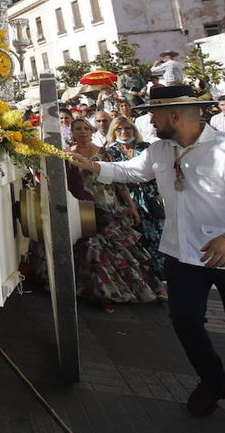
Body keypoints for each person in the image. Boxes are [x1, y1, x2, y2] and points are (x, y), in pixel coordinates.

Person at [70, 85, 225, 432]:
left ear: (175, 116)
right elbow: (133, 171)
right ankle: (213, 381)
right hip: (182, 253)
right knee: (185, 320)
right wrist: (92, 164)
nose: (149, 119)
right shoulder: (160, 150)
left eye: (154, 114)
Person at [65, 118, 160, 313]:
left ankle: (128, 289)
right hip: (82, 208)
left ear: (92, 131)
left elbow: (119, 181)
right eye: (78, 129)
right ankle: (101, 294)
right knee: (90, 251)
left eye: (86, 128)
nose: (82, 132)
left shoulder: (104, 153)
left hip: (108, 206)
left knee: (116, 250)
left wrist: (131, 206)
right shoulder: (66, 155)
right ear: (72, 132)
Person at [105, 116, 166, 283]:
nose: (124, 132)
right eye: (119, 129)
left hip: (151, 198)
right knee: (134, 240)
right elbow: (115, 177)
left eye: (127, 129)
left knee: (156, 237)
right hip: (127, 199)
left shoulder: (145, 147)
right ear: (113, 132)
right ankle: (144, 280)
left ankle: (160, 277)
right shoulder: (110, 151)